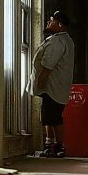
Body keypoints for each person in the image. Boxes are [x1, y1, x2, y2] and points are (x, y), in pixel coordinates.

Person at [27, 10, 75, 158]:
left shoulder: (58, 41)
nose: (48, 22)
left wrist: (41, 79)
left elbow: (48, 64)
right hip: (53, 87)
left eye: (52, 20)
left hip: (52, 87)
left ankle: (59, 146)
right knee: (48, 116)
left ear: (59, 24)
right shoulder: (61, 39)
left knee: (53, 117)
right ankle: (51, 145)